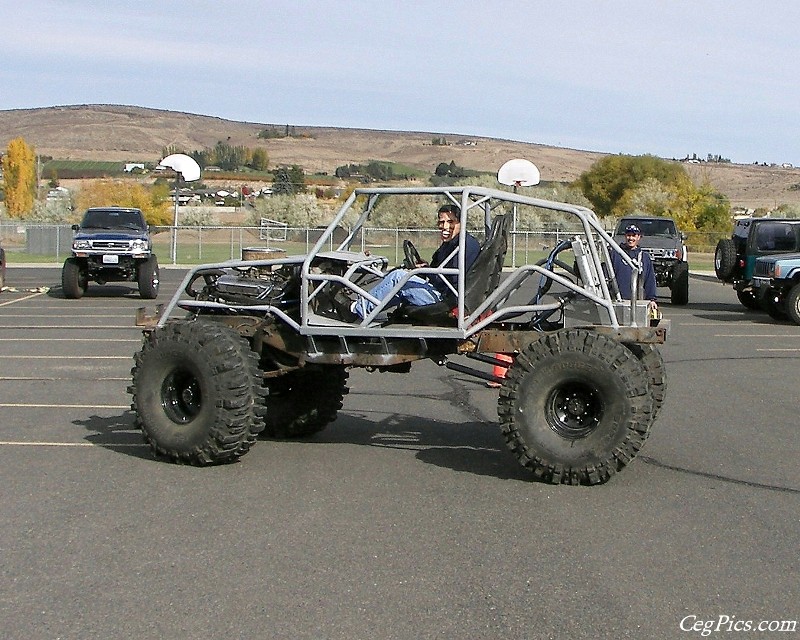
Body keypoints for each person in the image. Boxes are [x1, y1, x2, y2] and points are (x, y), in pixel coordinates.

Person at [345, 204, 480, 320]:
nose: (445, 227)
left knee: (398, 277)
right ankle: (363, 308)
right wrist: (426, 268)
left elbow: (452, 280)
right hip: (444, 294)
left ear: (461, 223)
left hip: (446, 300)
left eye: (450, 222)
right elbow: (441, 272)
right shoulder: (451, 244)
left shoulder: (464, 245)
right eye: (441, 222)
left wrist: (427, 272)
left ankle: (356, 309)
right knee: (399, 279)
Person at [610, 224, 658, 305]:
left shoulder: (644, 257)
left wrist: (652, 299)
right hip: (617, 301)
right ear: (625, 236)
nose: (631, 238)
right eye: (628, 235)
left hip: (638, 302)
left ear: (638, 237)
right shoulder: (615, 254)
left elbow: (650, 280)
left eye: (634, 235)